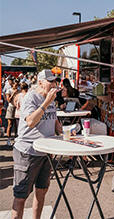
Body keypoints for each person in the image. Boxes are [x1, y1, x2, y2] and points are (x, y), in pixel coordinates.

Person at [12, 69, 62, 219]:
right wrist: (46, 103)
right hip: (28, 152)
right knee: (21, 196)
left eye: (55, 81)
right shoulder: (31, 98)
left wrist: (63, 130)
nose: (54, 84)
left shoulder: (51, 99)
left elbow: (54, 121)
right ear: (40, 82)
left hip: (46, 152)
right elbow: (31, 121)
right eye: (50, 81)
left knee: (42, 191)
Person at [5, 79, 19, 145]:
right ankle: (8, 139)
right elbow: (8, 100)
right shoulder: (9, 90)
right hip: (10, 108)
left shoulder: (19, 91)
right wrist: (13, 93)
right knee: (10, 124)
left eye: (17, 85)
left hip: (17, 108)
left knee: (16, 125)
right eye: (15, 85)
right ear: (12, 84)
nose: (16, 86)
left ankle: (16, 139)